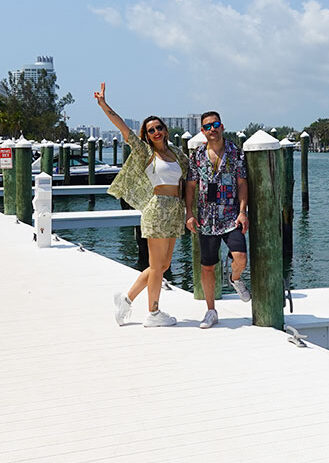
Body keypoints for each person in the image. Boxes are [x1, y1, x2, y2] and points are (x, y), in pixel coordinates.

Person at [97, 83, 189, 327]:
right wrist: (104, 105)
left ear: (165, 130)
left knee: (163, 264)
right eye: (151, 130)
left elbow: (191, 179)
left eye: (159, 128)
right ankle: (153, 313)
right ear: (146, 135)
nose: (156, 132)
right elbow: (124, 130)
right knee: (157, 266)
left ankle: (126, 299)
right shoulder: (146, 153)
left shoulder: (178, 154)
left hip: (175, 211)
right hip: (157, 210)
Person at [184, 111, 250, 329]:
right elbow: (191, 187)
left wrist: (242, 211)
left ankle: (234, 278)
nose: (212, 129)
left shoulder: (236, 153)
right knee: (207, 267)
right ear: (202, 131)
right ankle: (211, 311)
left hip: (230, 215)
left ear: (222, 126)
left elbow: (242, 184)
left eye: (216, 124)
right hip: (206, 219)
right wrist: (189, 213)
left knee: (240, 256)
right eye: (207, 126)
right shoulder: (197, 156)